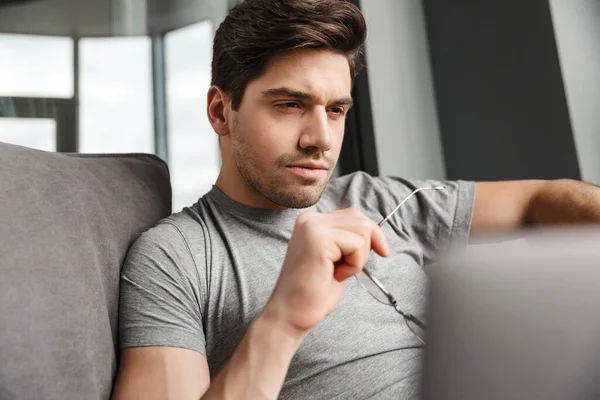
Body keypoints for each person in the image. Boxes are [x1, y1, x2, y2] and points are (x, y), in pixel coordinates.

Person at [111, 1, 600, 399]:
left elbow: (540, 199)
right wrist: (283, 319)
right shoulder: (174, 258)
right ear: (222, 111)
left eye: (337, 109)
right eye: (289, 105)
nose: (321, 139)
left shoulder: (378, 197)